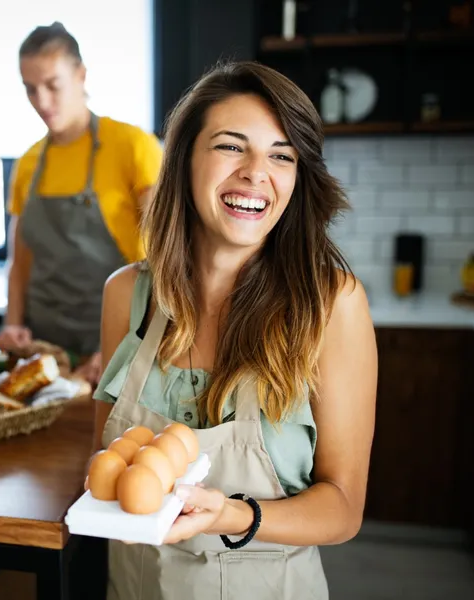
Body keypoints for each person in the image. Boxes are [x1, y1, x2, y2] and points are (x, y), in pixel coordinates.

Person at [94, 61, 377, 599]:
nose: (256, 172)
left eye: (281, 155)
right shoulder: (125, 296)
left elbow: (342, 508)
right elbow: (110, 464)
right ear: (184, 161)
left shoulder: (331, 305)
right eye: (230, 146)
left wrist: (229, 515)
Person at [0, 22, 163, 385]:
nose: (41, 101)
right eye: (30, 89)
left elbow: (167, 257)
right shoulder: (28, 164)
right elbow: (19, 261)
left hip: (114, 346)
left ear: (81, 74)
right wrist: (12, 324)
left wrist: (125, 343)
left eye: (52, 85)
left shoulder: (133, 147)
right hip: (44, 352)